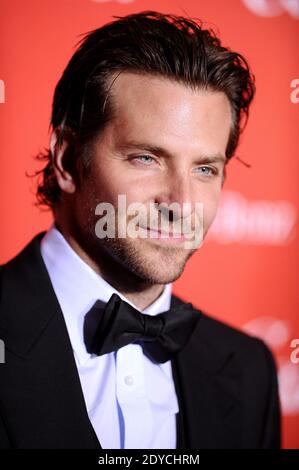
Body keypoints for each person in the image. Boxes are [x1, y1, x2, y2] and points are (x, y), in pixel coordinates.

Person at [0, 11, 280, 449]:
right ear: (70, 160)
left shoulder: (249, 370)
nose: (181, 203)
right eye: (146, 158)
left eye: (205, 169)